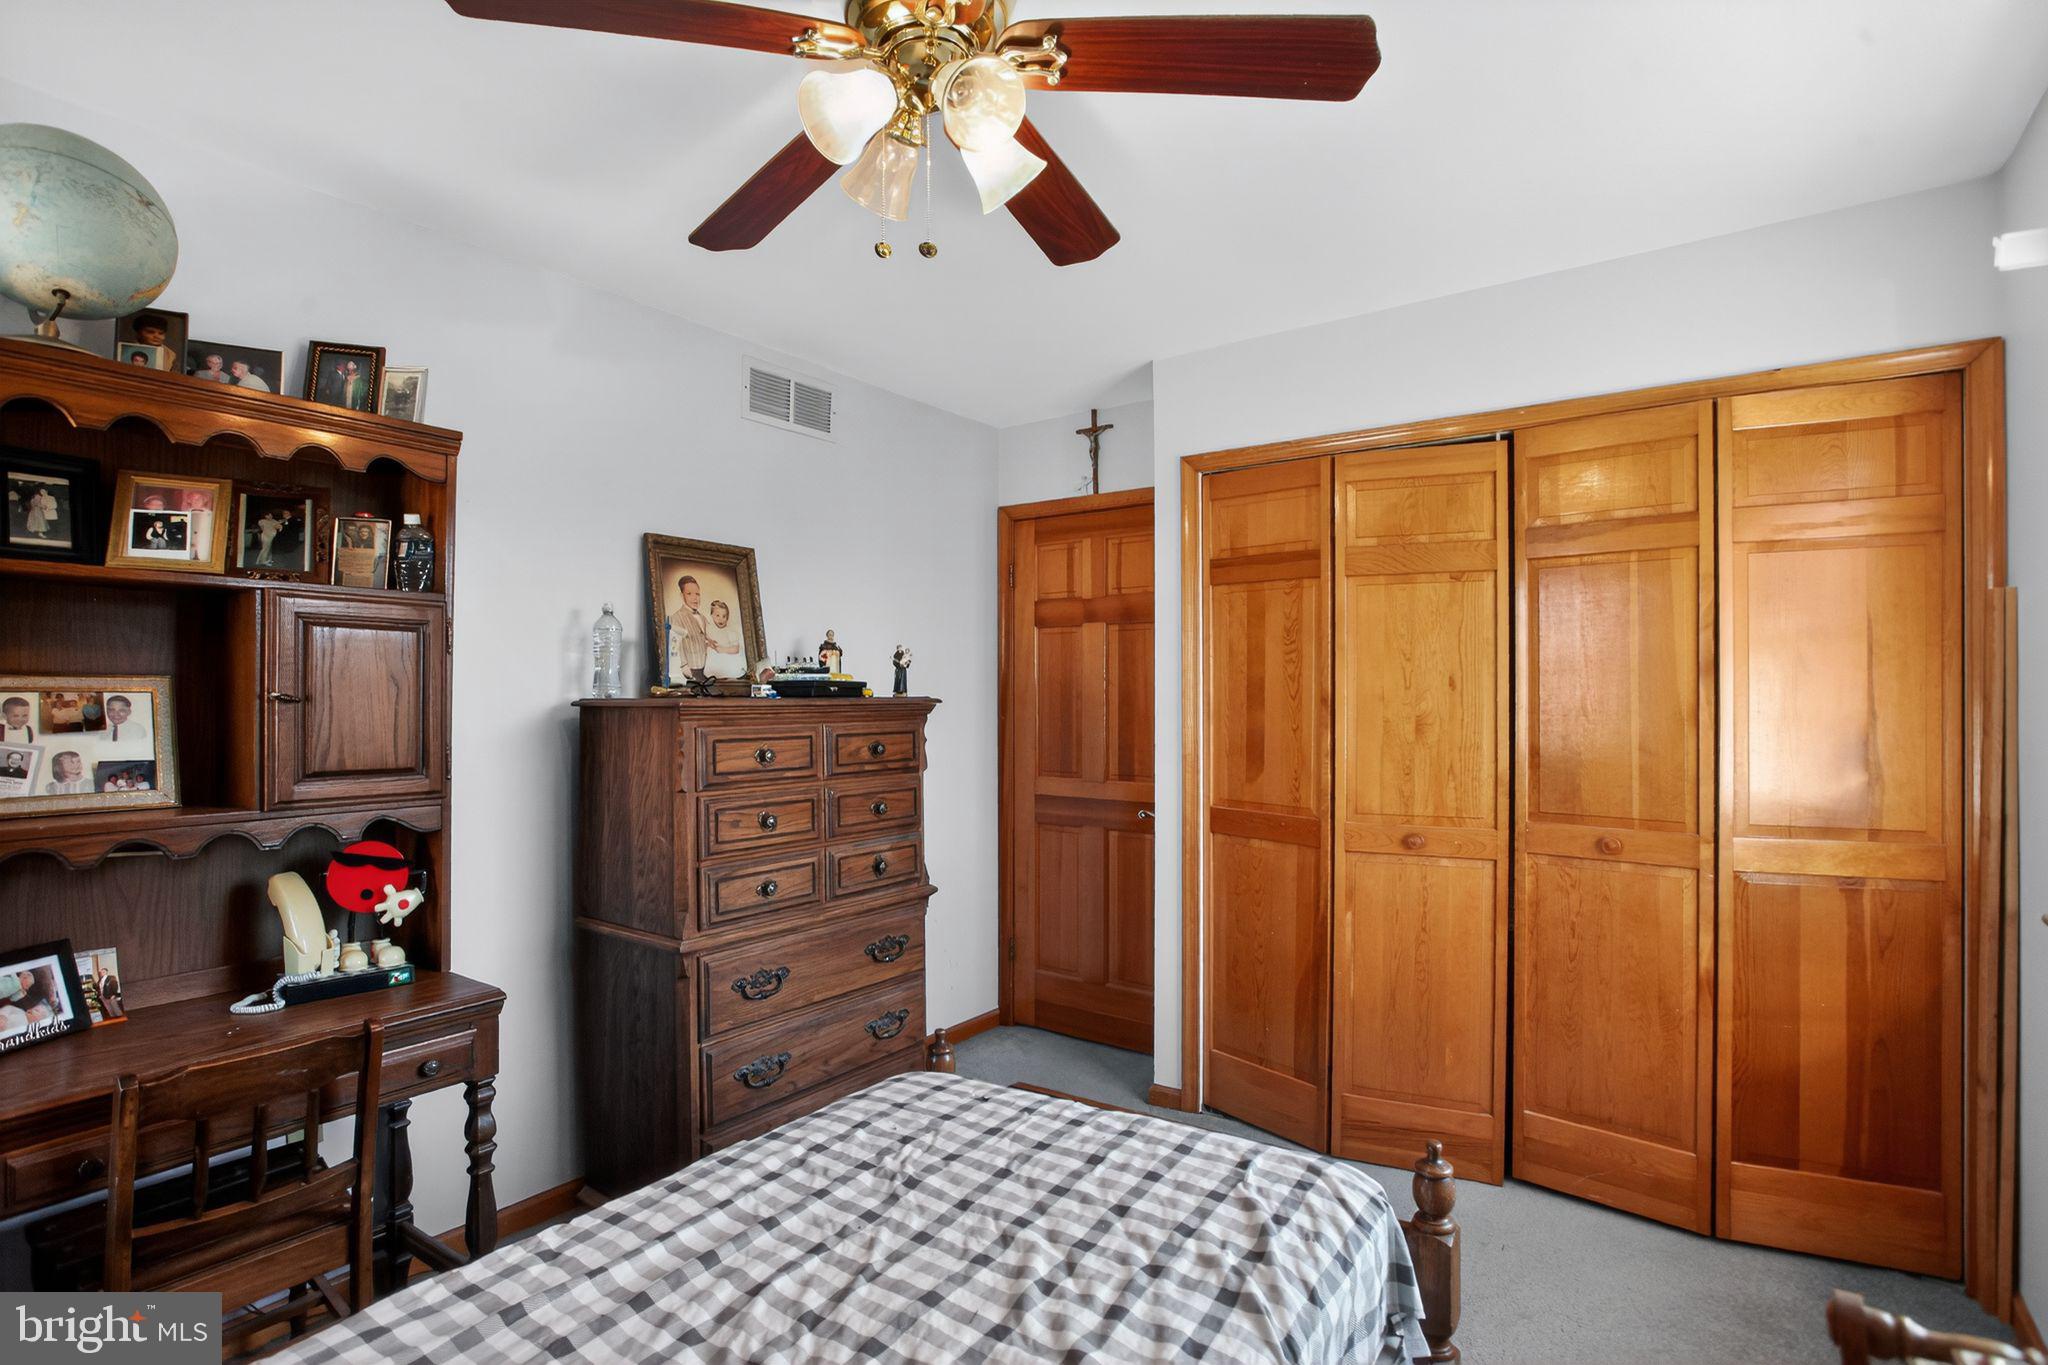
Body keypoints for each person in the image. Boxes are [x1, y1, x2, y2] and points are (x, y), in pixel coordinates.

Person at [665, 574, 711, 681]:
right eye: (689, 594)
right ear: (682, 596)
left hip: (706, 669)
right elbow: (676, 644)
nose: (695, 598)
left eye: (697, 594)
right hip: (690, 671)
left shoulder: (703, 618)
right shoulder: (676, 617)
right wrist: (683, 665)